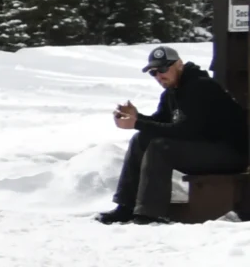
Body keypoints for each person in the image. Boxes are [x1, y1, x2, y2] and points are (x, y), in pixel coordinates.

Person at [98, 45, 250, 224]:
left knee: (161, 148)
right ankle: (125, 208)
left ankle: (150, 214)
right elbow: (160, 123)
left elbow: (187, 131)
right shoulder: (171, 93)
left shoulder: (201, 87)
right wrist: (137, 118)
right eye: (153, 72)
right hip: (204, 149)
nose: (159, 76)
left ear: (179, 65)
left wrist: (137, 123)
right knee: (141, 139)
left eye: (163, 69)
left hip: (230, 154)